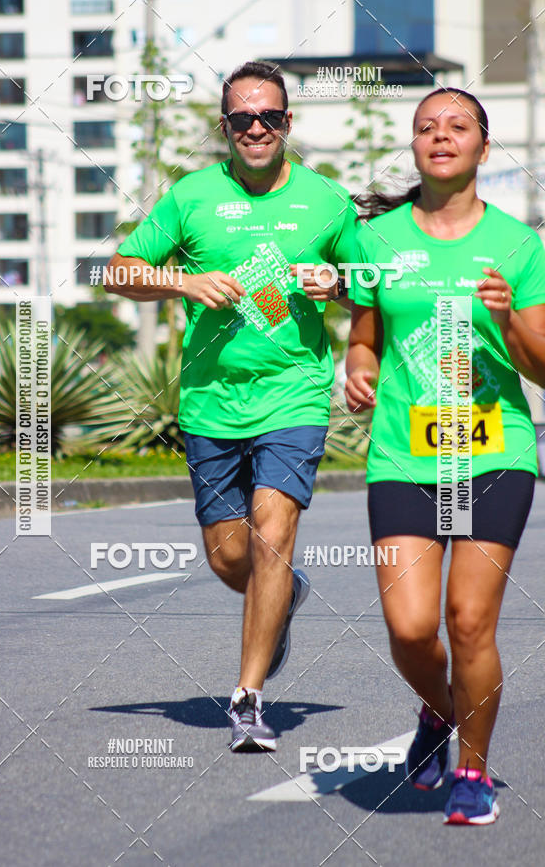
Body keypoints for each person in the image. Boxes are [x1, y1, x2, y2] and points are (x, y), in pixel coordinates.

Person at [105, 61, 358, 752]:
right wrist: (184, 282)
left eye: (268, 117)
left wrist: (335, 281)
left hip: (293, 394)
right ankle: (283, 596)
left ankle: (248, 698)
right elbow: (119, 272)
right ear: (224, 128)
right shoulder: (190, 197)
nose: (255, 128)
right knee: (229, 559)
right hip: (211, 401)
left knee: (273, 529)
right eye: (242, 118)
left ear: (287, 124)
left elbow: (373, 284)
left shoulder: (326, 202)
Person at [345, 87, 545, 824]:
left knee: (468, 622)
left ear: (482, 150)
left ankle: (474, 773)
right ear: (416, 147)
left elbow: (544, 365)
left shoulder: (518, 246)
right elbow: (364, 333)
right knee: (409, 629)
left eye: (458, 126)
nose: (441, 136)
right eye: (427, 126)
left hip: (490, 452)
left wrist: (507, 323)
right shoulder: (378, 241)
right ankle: (438, 711)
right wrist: (359, 365)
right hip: (405, 452)